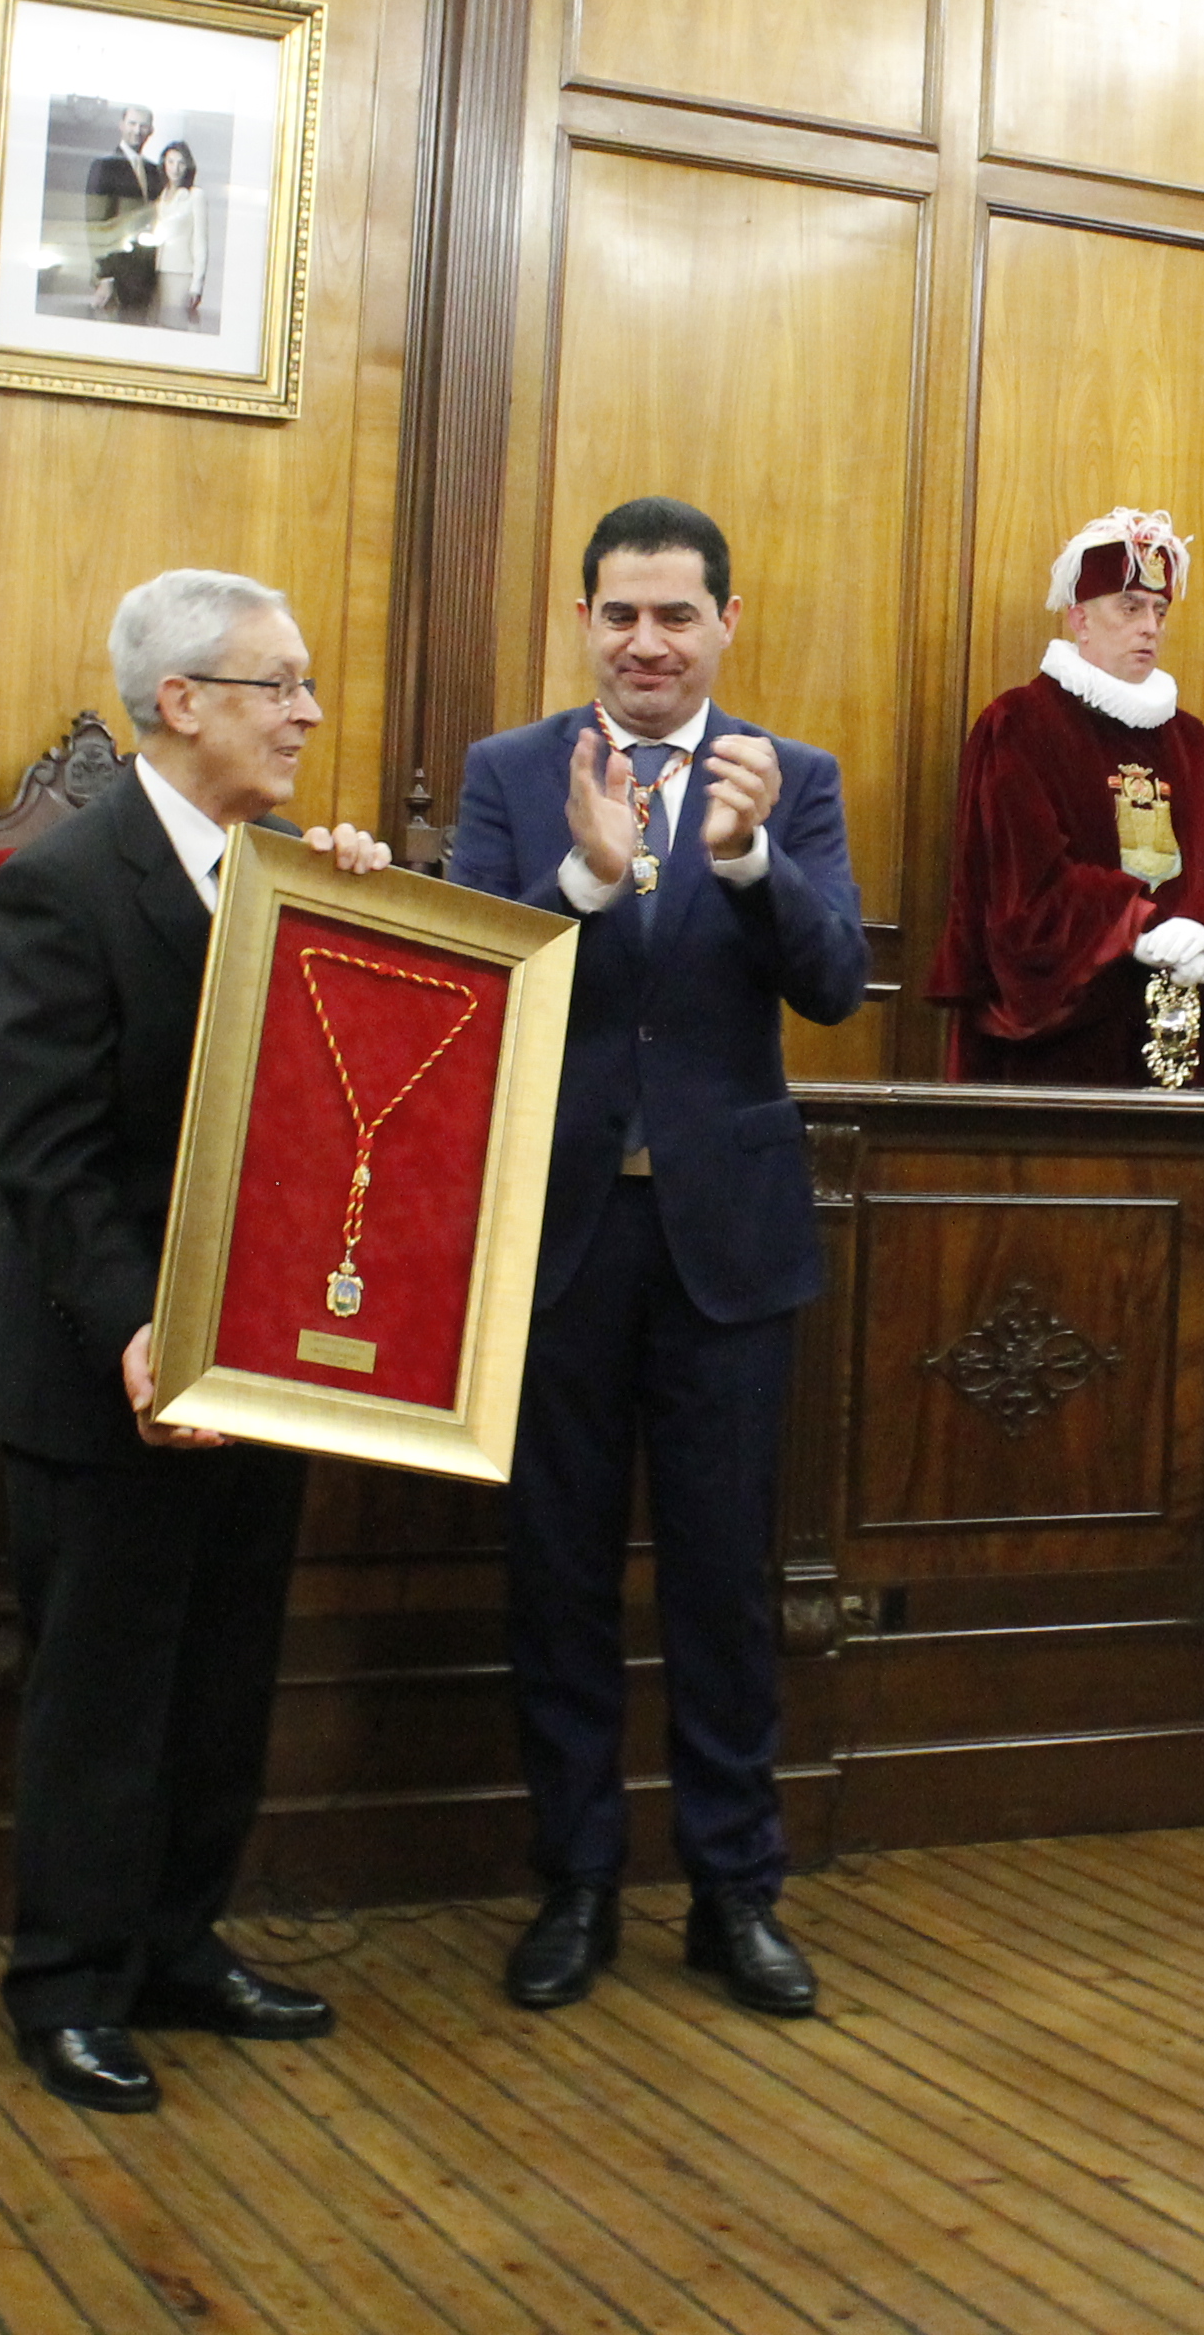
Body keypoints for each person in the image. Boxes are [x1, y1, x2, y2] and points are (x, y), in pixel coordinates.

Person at [0, 567, 395, 2115]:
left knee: (222, 1680)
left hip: (259, 1354)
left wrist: (374, 915)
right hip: (110, 1363)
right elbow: (44, 1157)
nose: (308, 713)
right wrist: (141, 1333)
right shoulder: (60, 886)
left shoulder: (285, 877)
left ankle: (177, 1947)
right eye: (279, 684)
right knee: (103, 1696)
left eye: (305, 684)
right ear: (181, 702)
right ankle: (68, 1985)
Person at [449, 497, 868, 2019]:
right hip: (557, 1239)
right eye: (620, 614)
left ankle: (733, 1892)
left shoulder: (788, 777)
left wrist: (750, 865)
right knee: (556, 1575)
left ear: (724, 625)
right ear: (584, 623)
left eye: (676, 615)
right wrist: (578, 878)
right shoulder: (513, 772)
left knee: (721, 1583)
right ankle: (575, 1883)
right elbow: (468, 983)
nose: (647, 642)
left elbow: (836, 984)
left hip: (726, 1250)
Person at [922, 507, 1204, 1086]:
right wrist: (1134, 924)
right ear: (1080, 619)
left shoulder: (1201, 748)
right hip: (1053, 1049)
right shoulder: (1020, 726)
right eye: (1130, 606)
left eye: (1160, 610)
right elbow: (1018, 887)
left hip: (1175, 1038)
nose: (1151, 627)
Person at [84, 105, 162, 319]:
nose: (137, 131)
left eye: (143, 126)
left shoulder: (154, 171)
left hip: (146, 272)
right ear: (121, 126)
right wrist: (105, 277)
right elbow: (96, 225)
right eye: (132, 124)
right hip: (116, 271)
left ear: (151, 131)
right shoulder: (104, 166)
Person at [151, 139, 207, 331]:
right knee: (158, 325)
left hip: (181, 274)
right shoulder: (161, 196)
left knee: (174, 324)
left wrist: (197, 285)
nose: (175, 168)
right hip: (158, 272)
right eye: (171, 162)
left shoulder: (195, 195)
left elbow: (200, 243)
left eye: (181, 163)